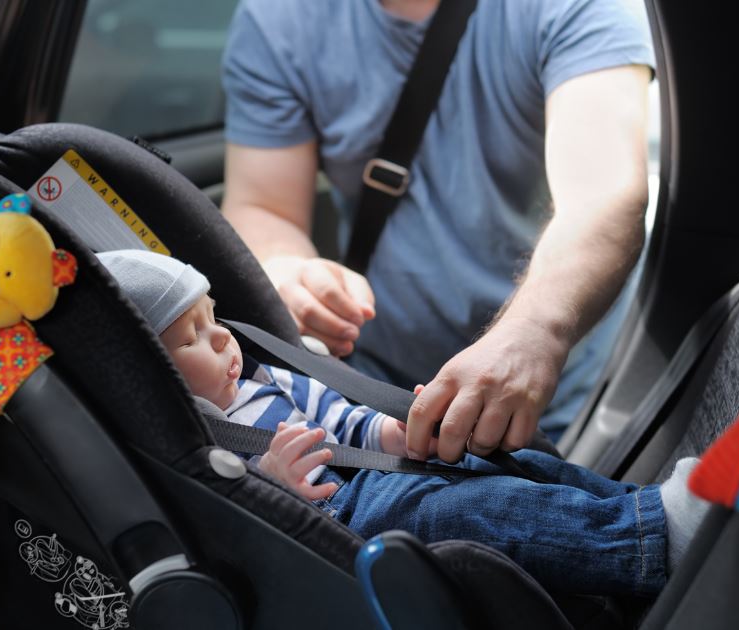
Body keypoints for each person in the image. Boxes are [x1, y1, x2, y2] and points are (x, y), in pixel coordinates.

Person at [97, 249, 707, 596]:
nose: (223, 340)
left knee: (518, 465)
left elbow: (339, 418)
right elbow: (238, 520)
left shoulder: (264, 379)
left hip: (379, 471)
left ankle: (643, 508)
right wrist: (277, 484)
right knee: (473, 512)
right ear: (152, 373)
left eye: (214, 319)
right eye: (192, 338)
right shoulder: (197, 442)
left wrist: (397, 434)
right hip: (342, 517)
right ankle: (648, 541)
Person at [219, 0, 656, 460]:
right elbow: (264, 206)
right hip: (379, 390)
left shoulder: (570, 8)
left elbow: (604, 195)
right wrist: (288, 269)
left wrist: (536, 331)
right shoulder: (279, 18)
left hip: (560, 388)